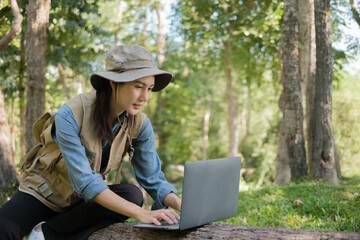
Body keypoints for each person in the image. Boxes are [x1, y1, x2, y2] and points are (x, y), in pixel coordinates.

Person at [0, 45, 181, 240]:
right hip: (43, 194)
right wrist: (142, 214)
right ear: (113, 83)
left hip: (80, 204)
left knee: (132, 195)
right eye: (138, 86)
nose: (144, 97)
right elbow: (86, 181)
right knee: (4, 228)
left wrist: (182, 205)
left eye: (150, 89)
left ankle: (44, 234)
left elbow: (153, 178)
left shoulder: (140, 124)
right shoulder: (70, 114)